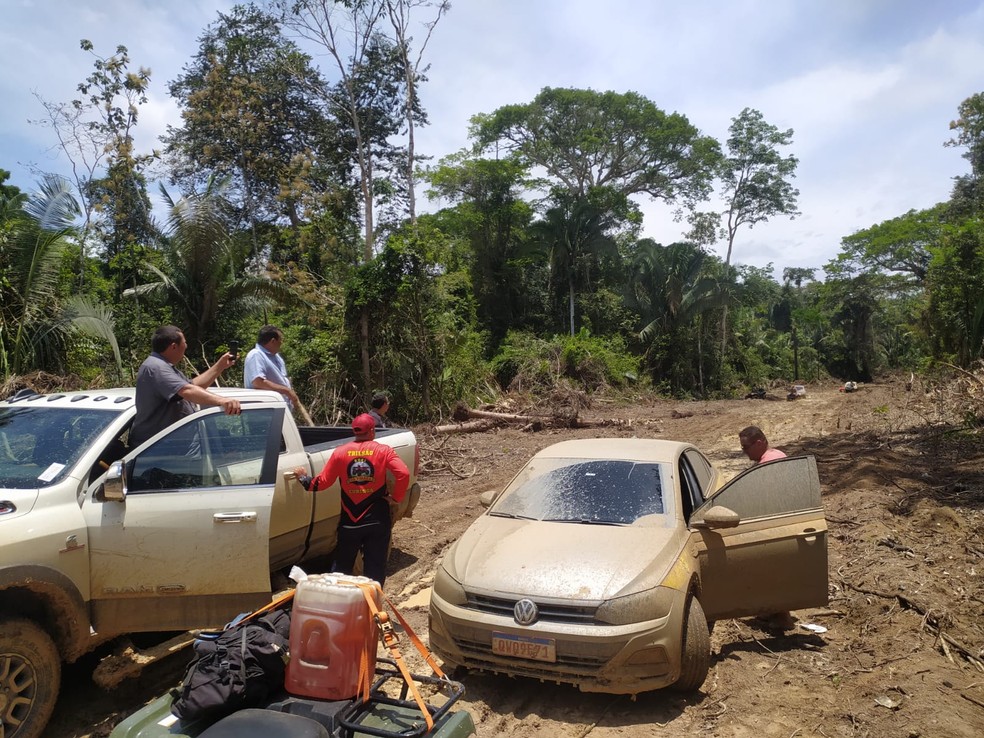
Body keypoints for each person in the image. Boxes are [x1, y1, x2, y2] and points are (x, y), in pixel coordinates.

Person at [293, 414, 409, 585]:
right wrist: (396, 498)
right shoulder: (383, 451)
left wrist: (303, 478)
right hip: (377, 518)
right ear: (372, 431)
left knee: (341, 569)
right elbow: (403, 473)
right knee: (375, 569)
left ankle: (337, 599)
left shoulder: (340, 452)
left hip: (350, 521)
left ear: (354, 431)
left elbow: (321, 483)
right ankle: (372, 601)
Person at [130, 325, 241, 448]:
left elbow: (193, 386)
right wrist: (222, 401)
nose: (186, 346)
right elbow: (187, 390)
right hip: (164, 448)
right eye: (185, 343)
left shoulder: (162, 366)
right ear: (174, 346)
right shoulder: (157, 367)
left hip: (171, 446)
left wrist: (220, 366)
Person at [738, 425, 795, 631]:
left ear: (759, 443)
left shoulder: (768, 463)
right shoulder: (775, 455)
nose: (745, 452)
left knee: (771, 570)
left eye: (746, 447)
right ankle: (773, 611)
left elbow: (765, 496)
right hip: (781, 521)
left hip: (776, 525)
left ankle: (783, 618)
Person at [243, 325, 298, 409]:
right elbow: (258, 382)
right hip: (265, 410)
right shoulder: (256, 355)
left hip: (281, 407)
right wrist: (286, 391)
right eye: (280, 340)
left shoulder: (277, 357)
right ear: (273, 341)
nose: (281, 343)